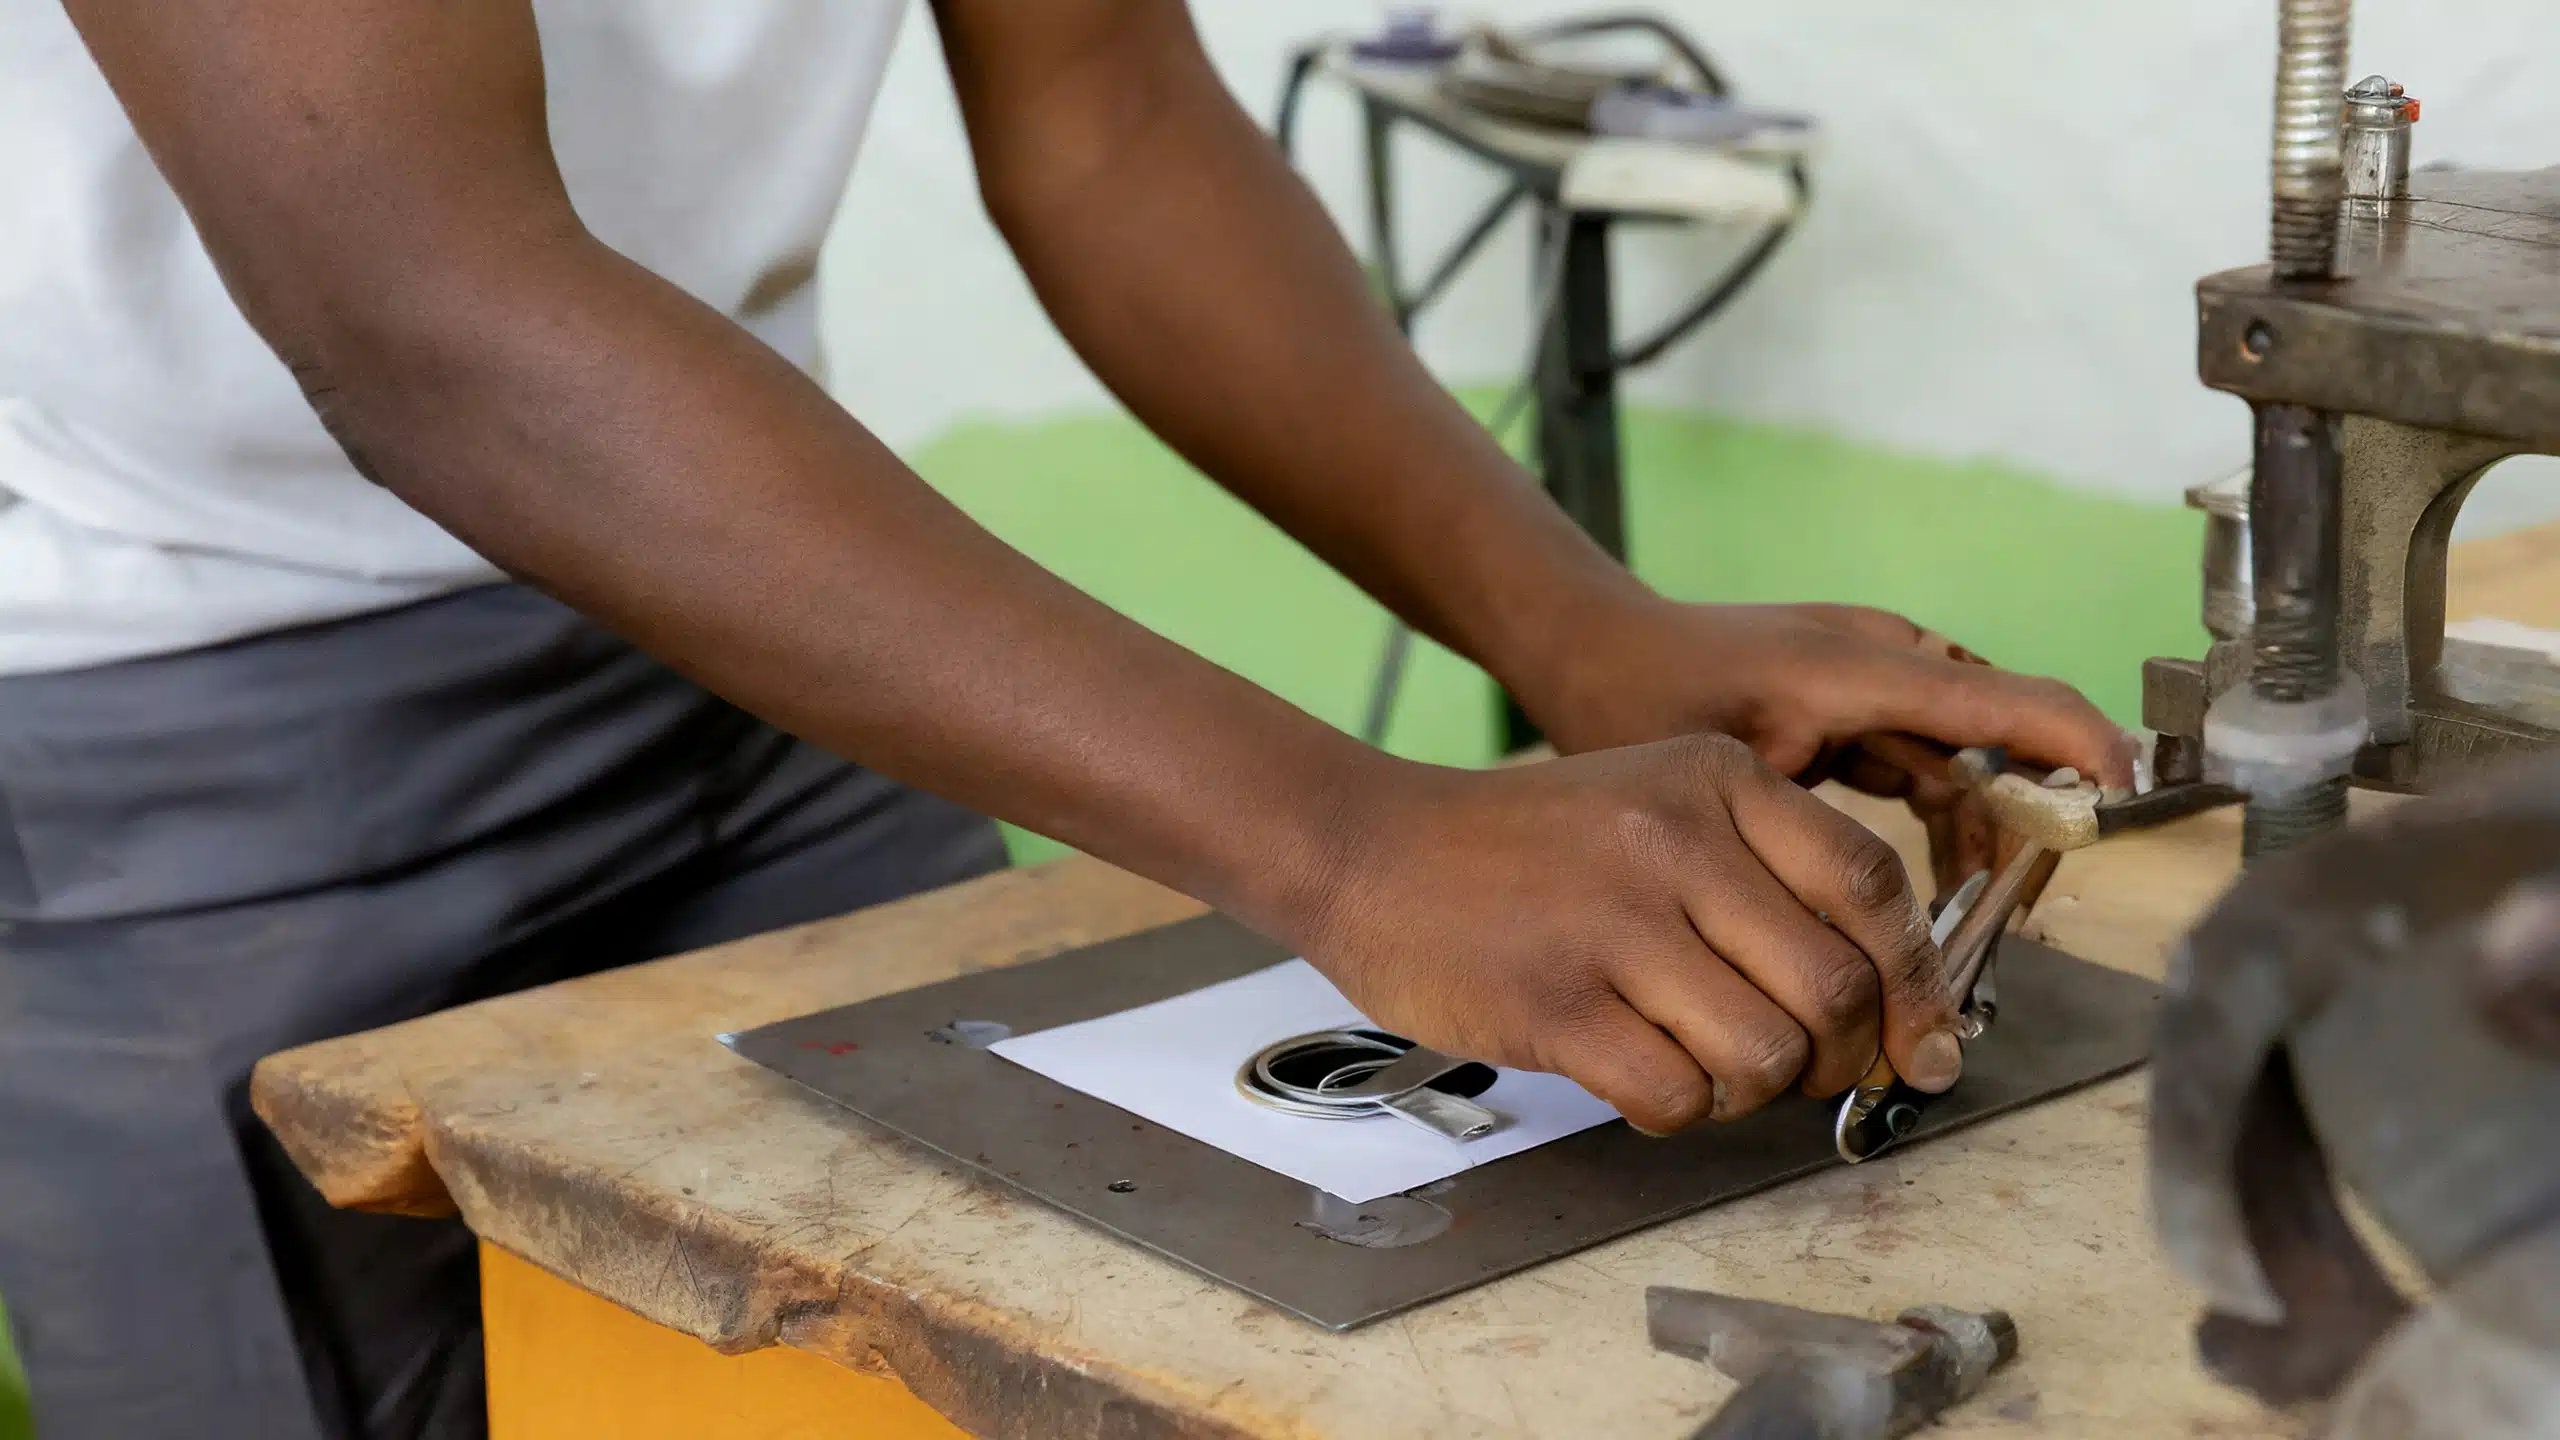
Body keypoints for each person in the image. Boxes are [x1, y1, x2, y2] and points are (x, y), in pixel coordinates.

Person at [0, 2, 2134, 1436]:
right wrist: (1343, 837)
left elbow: (1105, 113)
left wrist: (1571, 625)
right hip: (177, 723)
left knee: (908, 1369)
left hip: (773, 626)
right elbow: (425, 311)